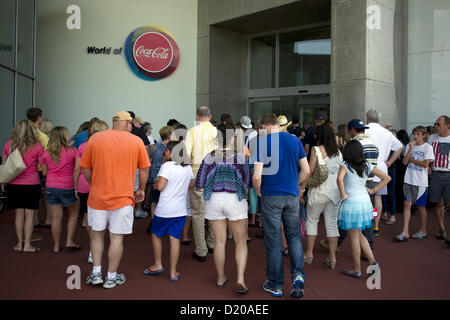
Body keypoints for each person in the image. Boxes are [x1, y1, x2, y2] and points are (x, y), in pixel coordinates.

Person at [80, 111, 150, 289]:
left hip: (97, 198)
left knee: (97, 235)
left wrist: (93, 183)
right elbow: (144, 169)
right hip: (123, 199)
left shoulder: (95, 139)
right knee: (116, 238)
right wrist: (141, 189)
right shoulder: (136, 141)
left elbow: (85, 167)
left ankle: (96, 273)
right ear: (127, 124)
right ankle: (111, 277)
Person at [252, 113, 310, 299]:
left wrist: (259, 191)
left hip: (271, 196)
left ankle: (276, 284)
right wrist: (297, 185)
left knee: (274, 241)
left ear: (264, 126)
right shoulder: (295, 141)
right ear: (278, 124)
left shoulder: (261, 143)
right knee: (294, 238)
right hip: (291, 195)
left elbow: (256, 176)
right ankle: (298, 276)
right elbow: (306, 170)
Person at [195, 123, 251, 294]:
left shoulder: (209, 157)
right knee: (240, 241)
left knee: (219, 242)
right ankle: (240, 279)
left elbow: (199, 183)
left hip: (214, 200)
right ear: (233, 138)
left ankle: (221, 278)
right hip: (235, 199)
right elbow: (246, 182)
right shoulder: (239, 157)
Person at [319, 119, 379, 256]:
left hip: (353, 185)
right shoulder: (373, 144)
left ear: (352, 130)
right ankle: (368, 247)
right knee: (368, 217)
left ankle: (339, 242)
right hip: (368, 184)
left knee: (347, 216)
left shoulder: (355, 145)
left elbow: (345, 171)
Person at [337, 140, 390, 278]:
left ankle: (357, 269)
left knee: (354, 236)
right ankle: (372, 261)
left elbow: (339, 179)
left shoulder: (345, 165)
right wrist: (373, 190)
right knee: (360, 234)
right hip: (366, 202)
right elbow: (386, 178)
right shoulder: (367, 164)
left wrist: (343, 194)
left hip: (352, 203)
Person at [144, 141, 194, 282]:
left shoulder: (166, 166)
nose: (164, 152)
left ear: (172, 152)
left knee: (155, 234)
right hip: (180, 210)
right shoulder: (187, 168)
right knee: (174, 240)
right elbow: (191, 185)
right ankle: (173, 272)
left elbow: (160, 187)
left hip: (164, 210)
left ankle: (158, 264)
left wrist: (155, 184)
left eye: (167, 150)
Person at [299, 125, 342, 269]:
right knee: (331, 223)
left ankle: (309, 254)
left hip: (319, 190)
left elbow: (309, 171)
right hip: (335, 192)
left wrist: (302, 188)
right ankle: (333, 257)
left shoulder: (316, 150)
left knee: (312, 220)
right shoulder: (338, 152)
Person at [2, 120, 44, 253]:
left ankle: (19, 244)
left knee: (18, 215)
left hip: (14, 184)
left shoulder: (9, 145)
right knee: (30, 215)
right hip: (31, 184)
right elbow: (42, 166)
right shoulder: (37, 146)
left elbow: (4, 166)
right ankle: (27, 245)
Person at [184, 106, 218, 262]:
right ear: (210, 116)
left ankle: (201, 250)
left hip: (197, 173)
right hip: (214, 174)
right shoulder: (217, 132)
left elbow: (186, 155)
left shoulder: (192, 131)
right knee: (213, 211)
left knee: (198, 213)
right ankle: (212, 243)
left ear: (197, 116)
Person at [40, 126, 81, 253]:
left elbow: (45, 173)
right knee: (73, 213)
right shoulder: (73, 151)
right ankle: (69, 241)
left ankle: (56, 246)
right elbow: (77, 169)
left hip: (51, 186)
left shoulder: (46, 152)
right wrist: (75, 186)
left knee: (56, 217)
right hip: (68, 186)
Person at [74, 120, 109, 263]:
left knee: (88, 216)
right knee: (103, 217)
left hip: (84, 184)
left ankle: (92, 247)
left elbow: (77, 168)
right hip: (102, 185)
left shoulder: (82, 146)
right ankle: (96, 246)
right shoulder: (108, 147)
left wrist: (75, 186)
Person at [365, 109, 404, 236]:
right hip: (381, 168)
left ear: (367, 118)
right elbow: (400, 147)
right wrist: (390, 161)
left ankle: (366, 224)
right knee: (378, 199)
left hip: (366, 168)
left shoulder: (364, 129)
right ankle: (375, 225)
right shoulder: (386, 132)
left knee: (365, 198)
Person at [394, 126, 434, 242]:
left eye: (418, 134)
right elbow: (405, 162)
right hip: (408, 179)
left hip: (420, 181)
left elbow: (426, 164)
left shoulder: (428, 147)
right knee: (406, 204)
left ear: (424, 135)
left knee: (421, 206)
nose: (415, 136)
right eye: (414, 134)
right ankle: (405, 231)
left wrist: (413, 160)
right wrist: (410, 150)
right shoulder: (409, 146)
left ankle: (423, 230)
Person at [141, 126, 173, 220]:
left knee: (154, 202)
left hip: (154, 176)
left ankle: (153, 222)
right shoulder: (168, 149)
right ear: (169, 136)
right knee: (164, 201)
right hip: (164, 177)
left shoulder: (155, 146)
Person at [27, 107, 49, 238]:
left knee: (22, 208)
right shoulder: (42, 136)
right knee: (35, 200)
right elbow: (48, 153)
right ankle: (33, 223)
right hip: (38, 170)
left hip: (23, 170)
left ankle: (33, 223)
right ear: (39, 118)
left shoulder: (22, 133)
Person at [428, 115, 450, 242]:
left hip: (448, 174)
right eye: (435, 124)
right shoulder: (432, 138)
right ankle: (442, 228)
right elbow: (429, 154)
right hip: (436, 174)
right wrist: (429, 165)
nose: (435, 126)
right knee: (438, 202)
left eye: (438, 124)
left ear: (448, 125)